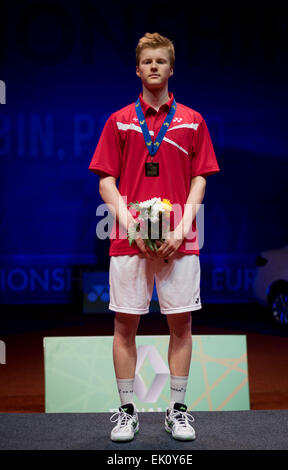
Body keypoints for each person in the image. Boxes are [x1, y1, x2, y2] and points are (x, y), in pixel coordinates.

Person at [88, 32, 220, 442]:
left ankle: (176, 411)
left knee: (181, 326)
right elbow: (106, 183)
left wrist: (180, 230)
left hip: (180, 241)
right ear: (138, 68)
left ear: (171, 67)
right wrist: (134, 227)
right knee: (125, 326)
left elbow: (200, 181)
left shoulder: (193, 121)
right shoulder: (119, 120)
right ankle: (126, 413)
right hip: (130, 241)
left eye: (161, 61)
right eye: (148, 62)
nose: (154, 68)